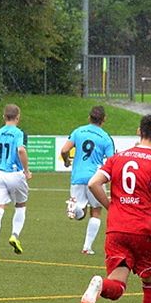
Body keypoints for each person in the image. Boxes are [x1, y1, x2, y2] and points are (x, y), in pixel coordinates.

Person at [79, 114, 151, 303]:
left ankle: (100, 284)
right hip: (144, 230)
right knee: (150, 285)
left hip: (117, 229)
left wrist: (112, 206)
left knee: (117, 286)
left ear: (139, 130)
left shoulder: (118, 157)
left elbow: (93, 183)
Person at [60, 106, 115, 255]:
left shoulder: (78, 131)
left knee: (80, 213)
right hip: (95, 179)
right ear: (104, 119)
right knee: (96, 211)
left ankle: (76, 207)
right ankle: (87, 247)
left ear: (89, 117)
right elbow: (112, 161)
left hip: (78, 177)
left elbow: (64, 150)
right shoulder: (106, 138)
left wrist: (66, 161)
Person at [0, 104, 31, 261]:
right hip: (14, 174)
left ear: (4, 117)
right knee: (20, 205)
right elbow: (21, 150)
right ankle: (14, 235)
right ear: (18, 117)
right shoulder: (19, 133)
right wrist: (26, 170)